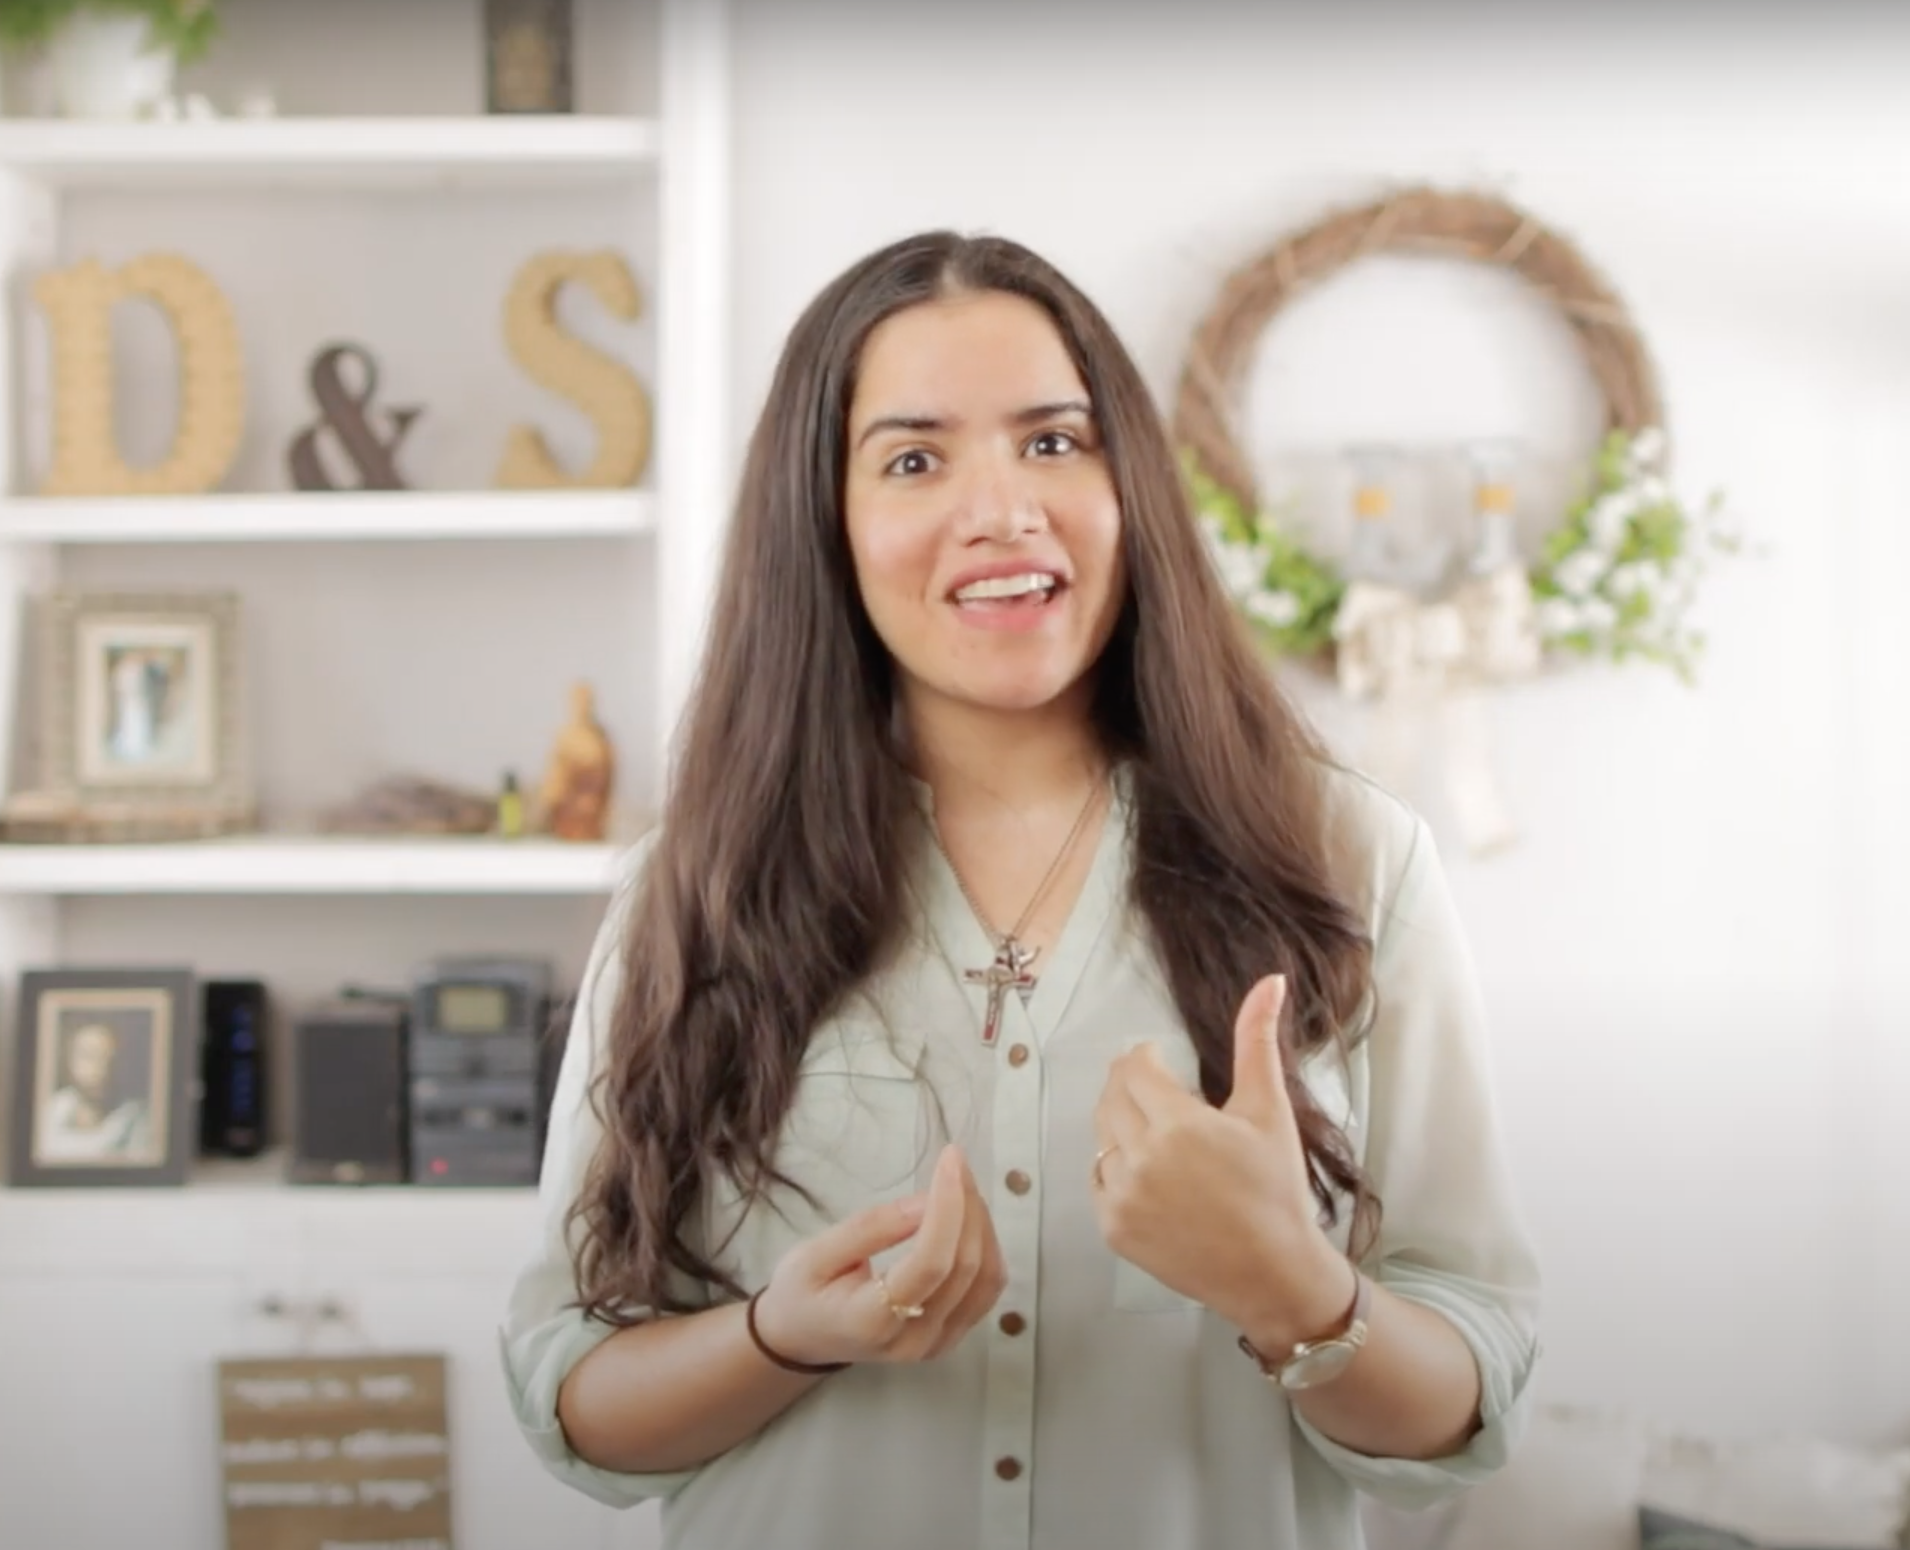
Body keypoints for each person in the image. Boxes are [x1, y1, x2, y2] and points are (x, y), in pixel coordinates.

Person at [500, 231, 1539, 1550]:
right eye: (915, 458)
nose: (1001, 509)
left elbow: (1469, 1390)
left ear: (1131, 489)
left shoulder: (1349, 856)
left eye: (1054, 441)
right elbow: (572, 1391)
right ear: (823, 519)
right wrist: (781, 1336)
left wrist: (1294, 1286)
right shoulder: (692, 884)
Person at [37, 1018, 151, 1165]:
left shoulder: (136, 1117)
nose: (100, 1069)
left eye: (108, 1058)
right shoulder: (49, 1111)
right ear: (70, 1061)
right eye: (89, 1056)